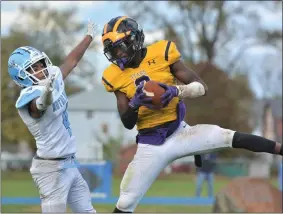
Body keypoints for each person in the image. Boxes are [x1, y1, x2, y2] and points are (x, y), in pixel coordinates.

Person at [100, 16, 283, 213]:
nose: (118, 54)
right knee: (125, 202)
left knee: (229, 137)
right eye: (113, 51)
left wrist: (175, 91)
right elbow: (127, 122)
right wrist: (134, 103)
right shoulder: (114, 76)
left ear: (134, 39)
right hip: (150, 144)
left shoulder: (163, 52)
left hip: (180, 132)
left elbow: (201, 88)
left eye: (120, 47)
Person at [7, 20, 97, 213]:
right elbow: (38, 107)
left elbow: (70, 62)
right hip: (50, 169)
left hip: (69, 162)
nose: (41, 69)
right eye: (34, 68)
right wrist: (46, 94)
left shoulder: (52, 77)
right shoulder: (28, 95)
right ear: (22, 76)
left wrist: (88, 37)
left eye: (40, 63)